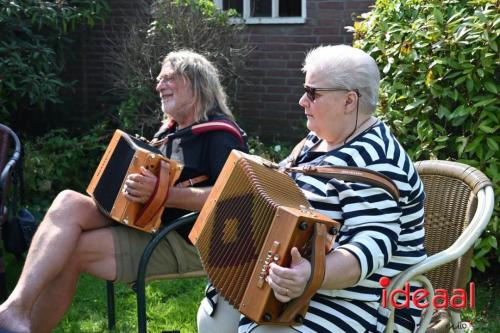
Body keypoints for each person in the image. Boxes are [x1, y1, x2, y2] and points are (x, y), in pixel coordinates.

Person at [0, 50, 248, 333]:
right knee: (68, 200)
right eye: (159, 79)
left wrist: (163, 194)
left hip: (187, 239)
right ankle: (14, 309)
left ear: (195, 82)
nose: (158, 85)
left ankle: (18, 323)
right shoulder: (169, 132)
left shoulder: (220, 134)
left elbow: (232, 196)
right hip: (151, 223)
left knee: (71, 252)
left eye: (168, 77)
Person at [197, 45, 426, 333]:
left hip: (366, 303)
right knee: (215, 316)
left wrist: (310, 274)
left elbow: (372, 245)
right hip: (302, 287)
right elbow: (277, 188)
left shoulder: (375, 160)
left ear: (349, 101)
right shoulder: (315, 141)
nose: (302, 100)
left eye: (313, 93)